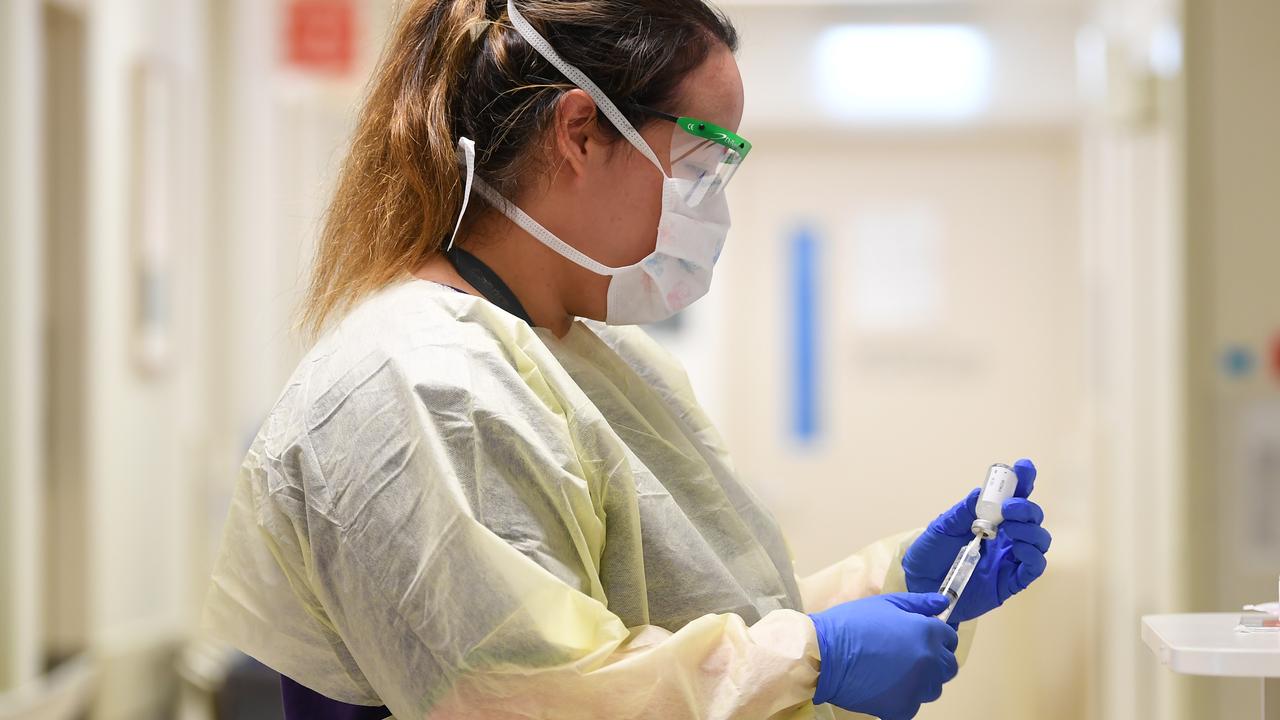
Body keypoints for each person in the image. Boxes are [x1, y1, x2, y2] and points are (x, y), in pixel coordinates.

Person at [201, 1, 1052, 718]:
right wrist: (818, 656)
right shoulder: (426, 381)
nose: (711, 202)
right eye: (703, 160)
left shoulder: (589, 358)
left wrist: (894, 583)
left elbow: (696, 625)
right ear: (580, 130)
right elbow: (536, 692)